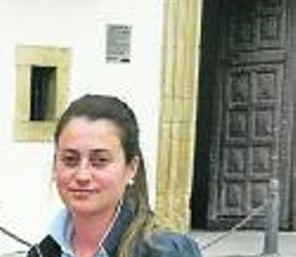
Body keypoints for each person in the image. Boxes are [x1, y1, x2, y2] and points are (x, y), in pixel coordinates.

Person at [29, 94, 201, 257]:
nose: (82, 175)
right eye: (70, 159)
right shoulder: (42, 252)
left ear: (131, 168)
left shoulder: (167, 251)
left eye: (100, 160)